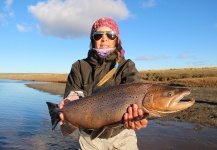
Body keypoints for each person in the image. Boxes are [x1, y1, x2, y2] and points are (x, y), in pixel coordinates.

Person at [58, 17, 148, 150]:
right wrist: (71, 101)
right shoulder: (79, 66)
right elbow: (74, 92)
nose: (104, 39)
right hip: (89, 139)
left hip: (122, 135)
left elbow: (136, 90)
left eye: (110, 35)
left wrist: (139, 116)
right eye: (98, 35)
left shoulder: (127, 66)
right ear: (92, 40)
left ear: (117, 39)